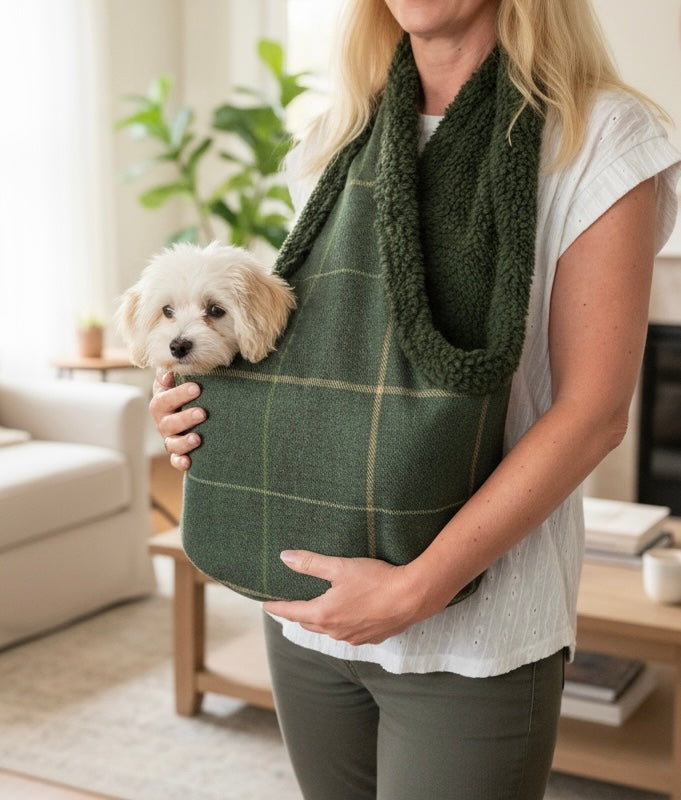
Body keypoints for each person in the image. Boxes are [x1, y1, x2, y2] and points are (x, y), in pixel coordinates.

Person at [150, 1, 681, 798]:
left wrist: (418, 586)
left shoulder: (598, 134)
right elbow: (304, 355)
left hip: (471, 632)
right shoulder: (335, 133)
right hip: (305, 605)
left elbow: (593, 413)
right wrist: (193, 409)